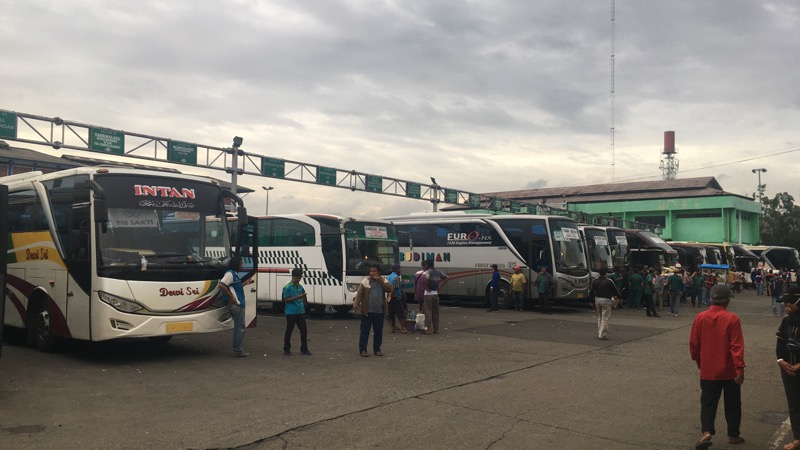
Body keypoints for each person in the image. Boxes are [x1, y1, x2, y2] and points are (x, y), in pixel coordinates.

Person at [689, 284, 746, 449]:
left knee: (708, 402)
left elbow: (694, 343)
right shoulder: (732, 318)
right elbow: (736, 347)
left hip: (708, 370)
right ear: (727, 300)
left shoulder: (700, 317)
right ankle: (733, 435)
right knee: (733, 404)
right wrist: (740, 369)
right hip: (729, 371)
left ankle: (707, 432)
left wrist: (698, 361)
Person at [777, 285, 800, 450]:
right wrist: (781, 361)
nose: (786, 306)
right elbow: (779, 345)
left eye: (789, 303)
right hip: (788, 370)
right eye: (784, 303)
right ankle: (798, 438)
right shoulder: (786, 321)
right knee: (793, 404)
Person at [353, 263, 393, 357]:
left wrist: (379, 280)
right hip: (367, 312)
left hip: (379, 311)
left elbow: (389, 289)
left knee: (378, 332)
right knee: (364, 331)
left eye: (374, 271)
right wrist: (356, 303)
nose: (372, 273)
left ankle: (377, 349)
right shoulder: (365, 281)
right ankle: (363, 350)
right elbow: (359, 294)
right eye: (371, 271)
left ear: (379, 272)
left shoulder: (383, 280)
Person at [218, 256, 254, 357]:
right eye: (241, 264)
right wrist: (232, 298)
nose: (242, 265)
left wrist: (245, 283)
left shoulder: (234, 274)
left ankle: (238, 349)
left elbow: (234, 287)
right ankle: (238, 350)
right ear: (236, 264)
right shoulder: (230, 274)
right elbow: (222, 285)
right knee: (239, 327)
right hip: (237, 304)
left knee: (239, 326)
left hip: (238, 303)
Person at [282, 268, 311, 356]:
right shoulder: (287, 287)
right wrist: (297, 298)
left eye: (300, 277)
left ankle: (304, 349)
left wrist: (305, 304)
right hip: (291, 312)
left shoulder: (300, 286)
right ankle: (286, 349)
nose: (299, 279)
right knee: (289, 330)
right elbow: (286, 300)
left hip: (300, 311)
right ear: (293, 277)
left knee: (304, 330)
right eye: (298, 277)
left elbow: (303, 296)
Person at [589, 268, 620, 340]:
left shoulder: (595, 281)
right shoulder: (609, 281)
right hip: (606, 300)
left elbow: (592, 291)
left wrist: (591, 301)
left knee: (600, 316)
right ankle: (602, 334)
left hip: (597, 299)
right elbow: (615, 290)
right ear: (606, 273)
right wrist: (619, 298)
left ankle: (599, 331)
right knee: (605, 317)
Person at [422, 259, 449, 334]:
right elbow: (447, 278)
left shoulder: (427, 272)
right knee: (435, 312)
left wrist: (426, 286)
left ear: (427, 265)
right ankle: (436, 329)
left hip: (428, 294)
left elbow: (427, 279)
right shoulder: (438, 272)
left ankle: (429, 329)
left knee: (428, 311)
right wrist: (440, 286)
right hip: (436, 294)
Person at [386, 264, 409, 333]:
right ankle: (403, 328)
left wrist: (389, 297)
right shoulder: (396, 278)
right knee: (401, 313)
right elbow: (395, 288)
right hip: (395, 297)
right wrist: (393, 296)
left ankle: (391, 328)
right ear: (396, 270)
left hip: (389, 297)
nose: (400, 271)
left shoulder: (388, 277)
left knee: (390, 313)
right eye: (399, 269)